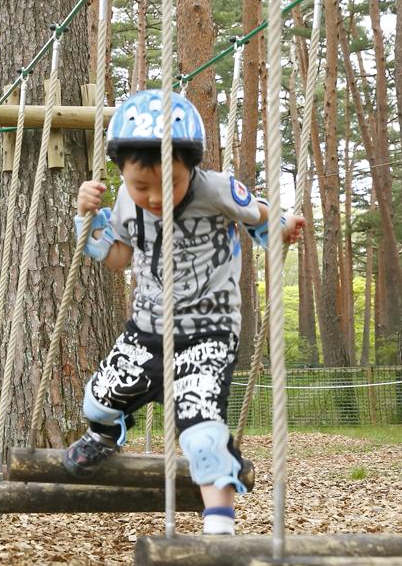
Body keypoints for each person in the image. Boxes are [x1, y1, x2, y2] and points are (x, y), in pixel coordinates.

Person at [64, 90, 305, 535]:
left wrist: (283, 227)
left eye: (169, 183)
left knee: (200, 430)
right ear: (123, 174)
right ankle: (104, 436)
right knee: (97, 402)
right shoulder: (122, 199)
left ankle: (219, 527)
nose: (155, 198)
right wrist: (86, 218)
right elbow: (117, 257)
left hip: (209, 330)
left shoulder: (214, 188)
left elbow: (259, 214)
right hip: (147, 328)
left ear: (191, 168)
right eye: (141, 187)